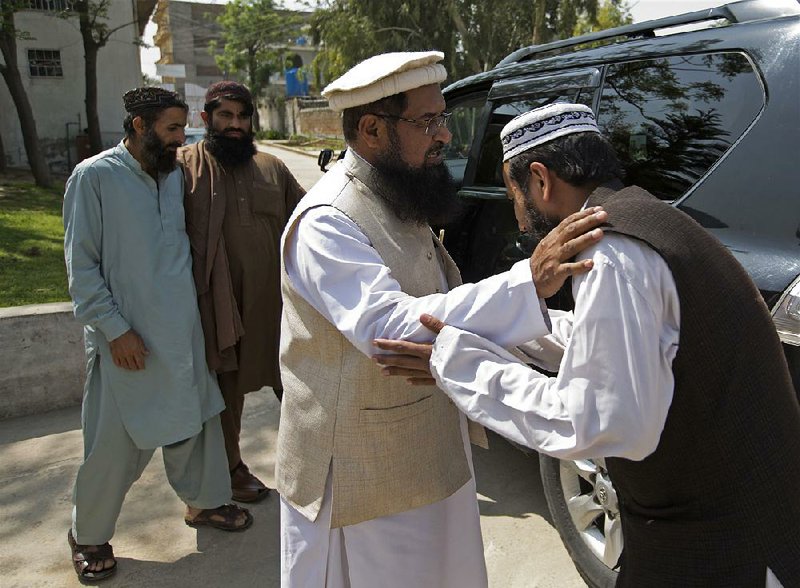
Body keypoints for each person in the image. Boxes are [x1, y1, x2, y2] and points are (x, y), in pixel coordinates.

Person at [376, 103, 800, 587]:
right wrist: (502, 331)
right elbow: (616, 345)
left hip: (724, 549)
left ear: (540, 181)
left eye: (513, 193)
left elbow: (597, 420)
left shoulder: (612, 253)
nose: (518, 219)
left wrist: (455, 362)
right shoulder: (640, 215)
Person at [276, 53, 608, 587]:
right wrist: (529, 280)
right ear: (371, 129)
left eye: (443, 118)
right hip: (362, 478)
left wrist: (584, 339)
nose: (446, 136)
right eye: (427, 121)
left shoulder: (395, 199)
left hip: (426, 452)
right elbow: (391, 330)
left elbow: (458, 310)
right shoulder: (326, 221)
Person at [63, 87, 252, 583]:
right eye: (171, 129)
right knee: (113, 444)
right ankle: (88, 534)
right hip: (127, 340)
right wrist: (114, 330)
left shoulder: (169, 177)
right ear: (140, 126)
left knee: (195, 423)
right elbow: (81, 267)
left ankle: (206, 504)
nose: (180, 139)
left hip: (181, 332)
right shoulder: (95, 177)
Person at [179, 81, 305, 503]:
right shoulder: (183, 168)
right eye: (225, 116)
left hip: (276, 306)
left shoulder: (272, 167)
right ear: (206, 119)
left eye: (243, 116)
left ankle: (311, 459)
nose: (235, 125)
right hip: (219, 307)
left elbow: (309, 222)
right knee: (224, 396)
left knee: (299, 385)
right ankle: (230, 468)